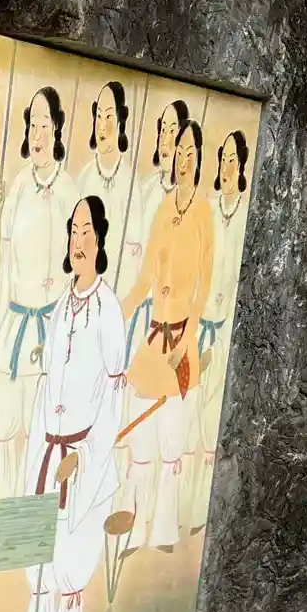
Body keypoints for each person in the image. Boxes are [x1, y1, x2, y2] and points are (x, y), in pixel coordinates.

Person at [13, 196, 127, 612]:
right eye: (73, 231)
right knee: (41, 559)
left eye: (86, 232)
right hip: (48, 451)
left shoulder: (108, 309)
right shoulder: (62, 306)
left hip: (84, 459)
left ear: (100, 239)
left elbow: (114, 395)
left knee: (71, 560)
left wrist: (84, 456)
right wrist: (38, 450)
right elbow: (47, 385)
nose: (78, 241)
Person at [120, 119, 215, 549]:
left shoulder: (203, 214)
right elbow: (144, 280)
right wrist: (115, 313)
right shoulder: (161, 209)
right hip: (154, 337)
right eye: (179, 151)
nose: (183, 159)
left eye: (191, 152)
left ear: (199, 159)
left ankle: (162, 532)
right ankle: (135, 528)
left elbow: (203, 290)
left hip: (182, 343)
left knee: (171, 442)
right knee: (140, 438)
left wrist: (188, 341)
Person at [0, 86, 77, 501]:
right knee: (2, 425)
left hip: (50, 329)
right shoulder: (18, 187)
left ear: (56, 129)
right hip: (15, 327)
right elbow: (2, 259)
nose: (36, 134)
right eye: (31, 125)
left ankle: (31, 513)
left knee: (41, 433)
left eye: (44, 124)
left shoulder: (70, 193)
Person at [185, 129, 250, 532]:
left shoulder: (245, 215)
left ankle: (200, 512)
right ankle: (179, 511)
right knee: (187, 416)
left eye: (232, 160)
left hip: (225, 332)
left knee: (212, 422)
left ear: (242, 166)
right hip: (197, 326)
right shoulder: (205, 211)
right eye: (222, 159)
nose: (226, 167)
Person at [124, 99, 189, 358]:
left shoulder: (188, 201)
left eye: (172, 132)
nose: (165, 140)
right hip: (138, 308)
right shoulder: (146, 189)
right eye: (163, 131)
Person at [83, 81, 133, 288]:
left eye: (109, 116)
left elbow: (133, 252)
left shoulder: (130, 183)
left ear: (120, 119)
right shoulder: (85, 178)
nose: (102, 126)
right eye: (99, 116)